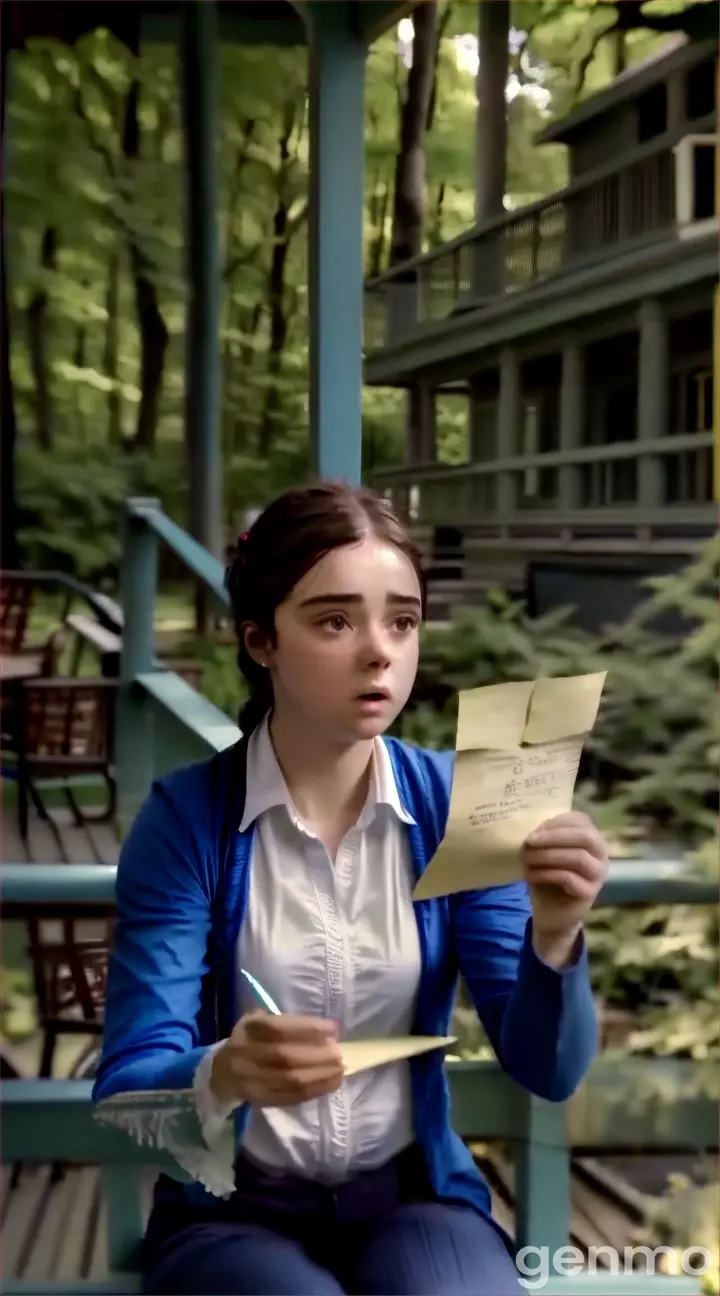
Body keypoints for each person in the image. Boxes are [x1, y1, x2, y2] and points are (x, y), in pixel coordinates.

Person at [93, 480, 608, 1296]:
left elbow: (548, 1070)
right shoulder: (185, 819)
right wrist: (224, 1071)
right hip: (233, 1209)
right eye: (336, 621)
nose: (381, 651)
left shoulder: (461, 803)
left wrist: (555, 934)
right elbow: (126, 1085)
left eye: (403, 621)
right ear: (260, 639)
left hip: (413, 1198)